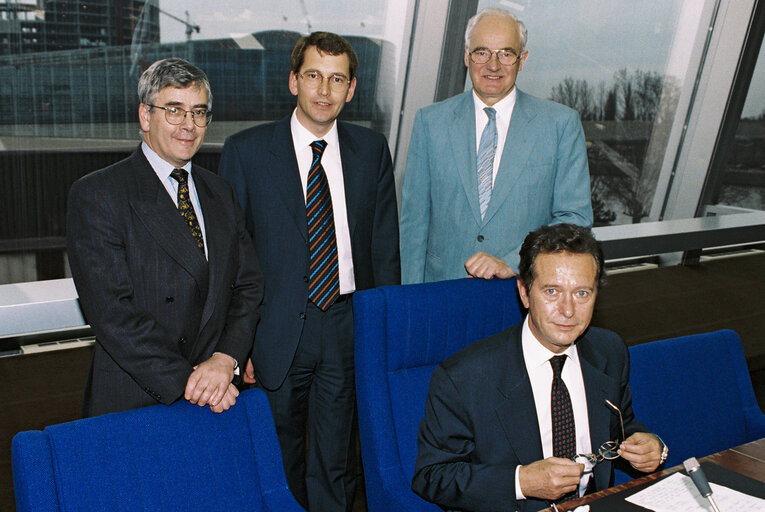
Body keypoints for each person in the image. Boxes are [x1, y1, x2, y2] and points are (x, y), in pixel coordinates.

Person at [218, 32, 400, 512]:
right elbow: (232, 261)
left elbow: (384, 252)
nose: (325, 90)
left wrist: (380, 337)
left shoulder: (371, 149)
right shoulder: (246, 151)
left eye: (337, 79)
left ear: (352, 89)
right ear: (294, 81)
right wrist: (241, 345)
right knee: (279, 457)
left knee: (337, 459)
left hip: (347, 325)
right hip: (275, 330)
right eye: (314, 76)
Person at [412, 224, 667, 512]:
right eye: (552, 291)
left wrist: (649, 446)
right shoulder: (464, 377)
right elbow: (432, 476)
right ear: (524, 292)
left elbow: (620, 428)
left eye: (582, 293)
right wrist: (520, 482)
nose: (568, 310)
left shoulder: (608, 351)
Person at [67, 58, 263, 418]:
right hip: (137, 397)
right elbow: (113, 314)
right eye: (175, 110)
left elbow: (248, 285)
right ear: (145, 116)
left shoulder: (220, 192)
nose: (189, 125)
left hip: (218, 389)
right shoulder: (98, 193)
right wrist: (193, 382)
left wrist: (225, 359)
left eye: (199, 112)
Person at [399, 7, 593, 284]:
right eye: (482, 52)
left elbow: (574, 218)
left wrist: (515, 261)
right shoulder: (430, 122)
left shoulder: (561, 125)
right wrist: (411, 299)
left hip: (520, 294)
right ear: (466, 57)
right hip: (442, 290)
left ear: (522, 59)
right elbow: (414, 224)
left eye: (506, 53)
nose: (493, 65)